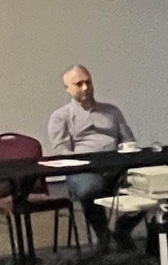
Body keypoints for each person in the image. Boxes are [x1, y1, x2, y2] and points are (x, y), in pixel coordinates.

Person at [46, 64, 144, 253]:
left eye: (88, 82)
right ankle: (103, 235)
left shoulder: (112, 111)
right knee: (90, 188)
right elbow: (61, 151)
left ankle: (123, 228)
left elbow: (128, 140)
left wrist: (125, 153)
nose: (85, 87)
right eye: (78, 84)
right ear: (67, 89)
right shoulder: (61, 117)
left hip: (116, 167)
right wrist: (89, 162)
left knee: (151, 185)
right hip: (83, 171)